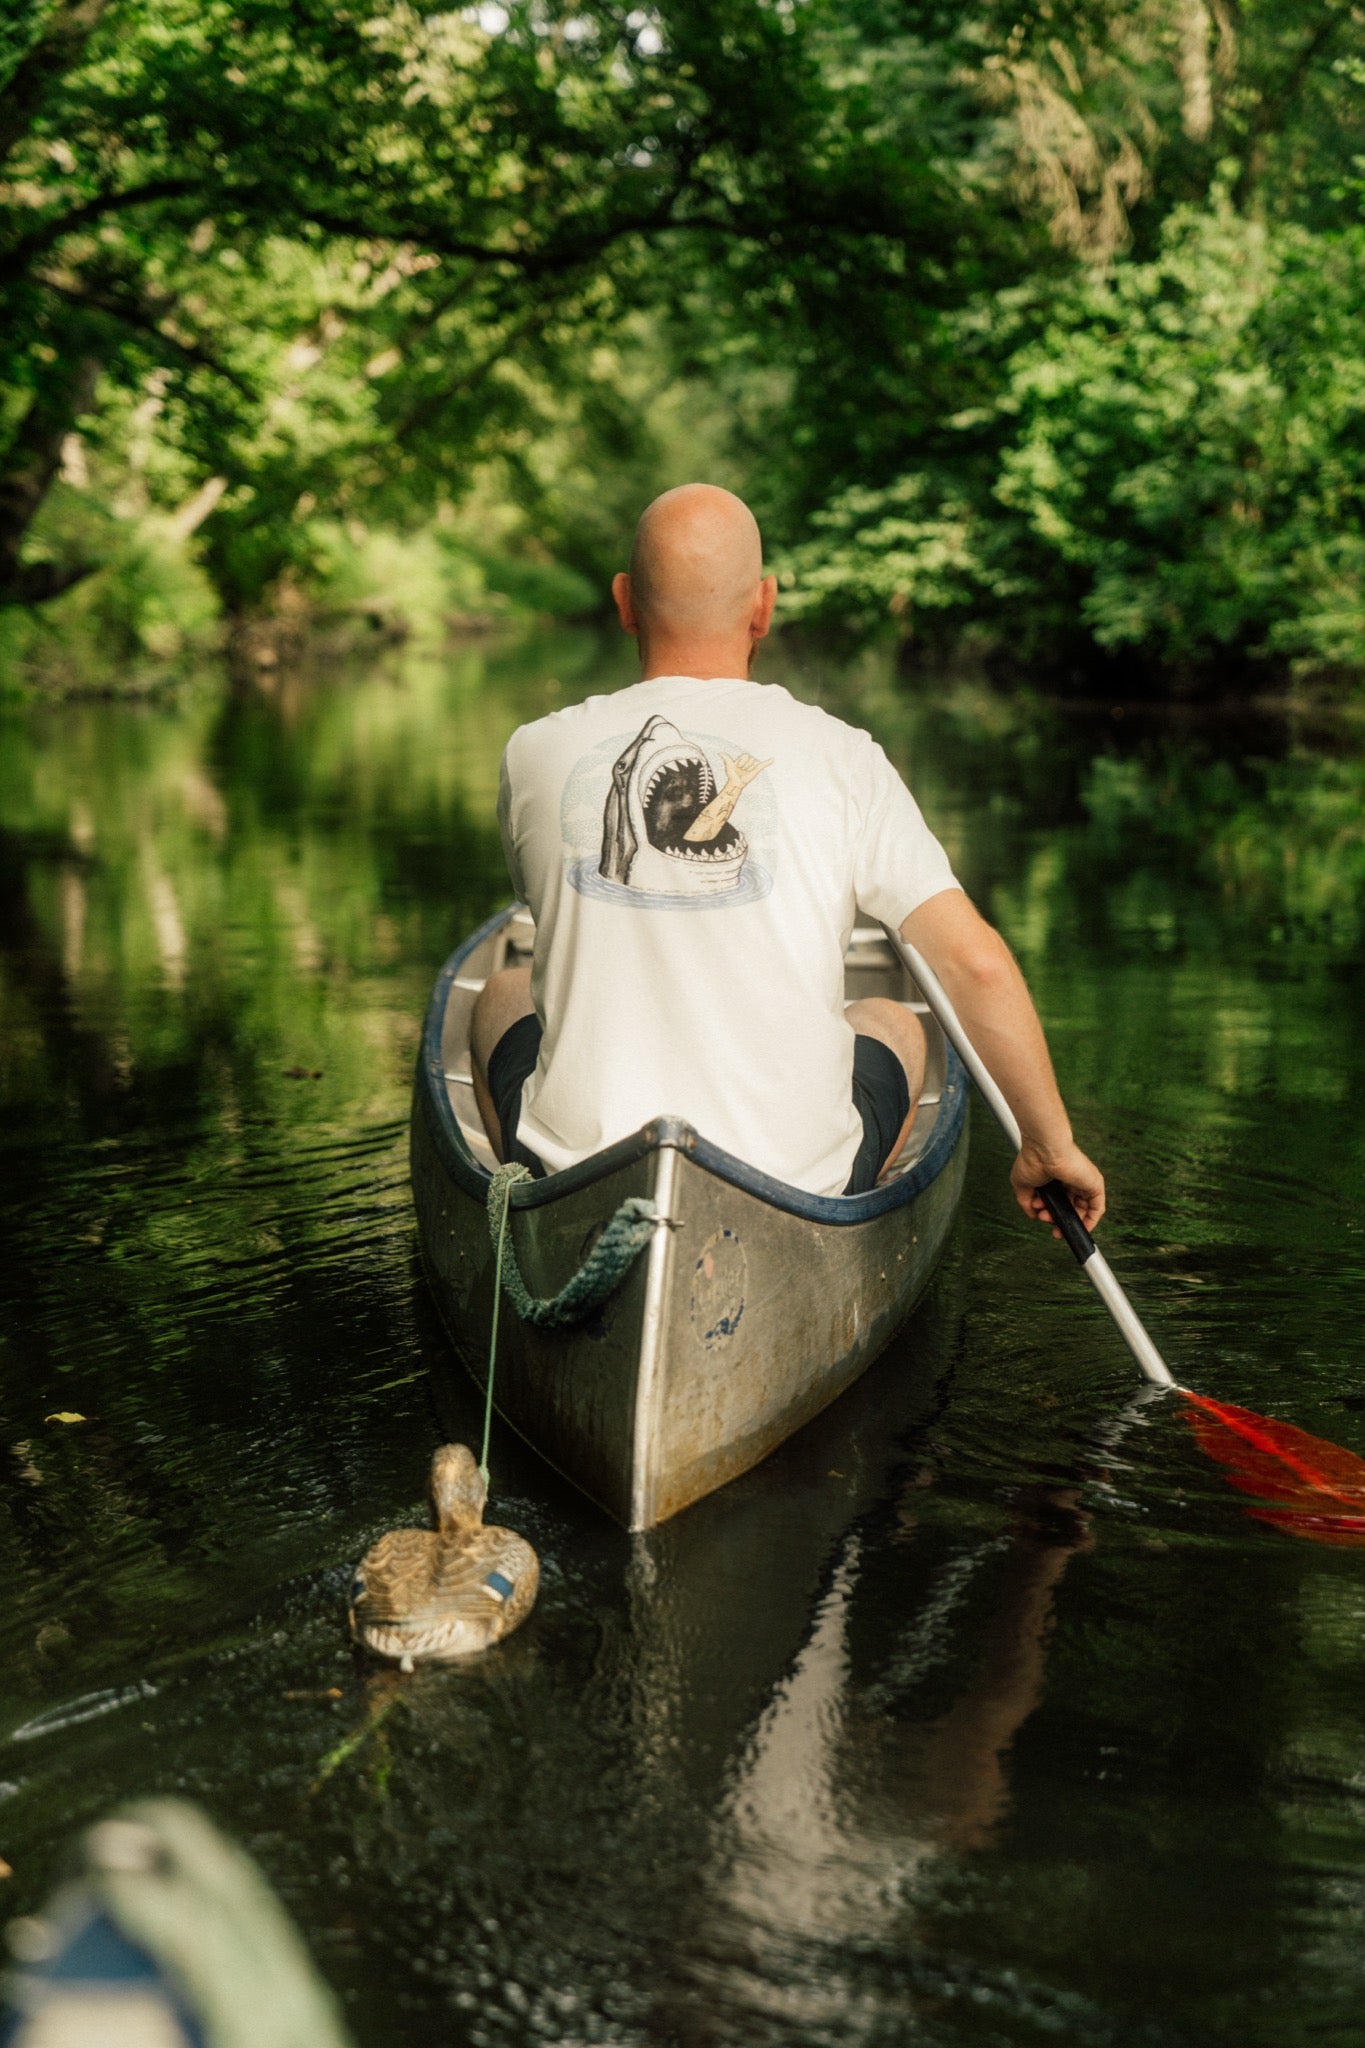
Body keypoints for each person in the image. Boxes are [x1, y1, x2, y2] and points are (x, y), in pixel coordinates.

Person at [473, 483, 1104, 1227]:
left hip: (586, 1174)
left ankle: (534, 1206)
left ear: (624, 602)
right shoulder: (844, 755)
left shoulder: (535, 750)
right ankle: (830, 1190)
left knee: (504, 994)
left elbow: (545, 909)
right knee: (895, 1024)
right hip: (788, 1182)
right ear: (763, 605)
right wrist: (1045, 1144)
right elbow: (977, 966)